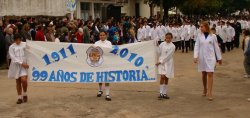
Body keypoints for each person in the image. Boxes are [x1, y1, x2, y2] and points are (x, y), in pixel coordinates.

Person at [194, 21, 222, 101]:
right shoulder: (199, 36)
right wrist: (195, 56)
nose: (200, 28)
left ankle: (209, 92)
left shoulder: (213, 36)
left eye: (202, 26)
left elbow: (216, 47)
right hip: (202, 57)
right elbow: (196, 46)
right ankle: (205, 88)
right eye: (200, 27)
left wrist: (219, 58)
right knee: (204, 74)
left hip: (211, 58)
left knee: (210, 74)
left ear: (206, 27)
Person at [8, 33, 29, 104]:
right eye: (16, 40)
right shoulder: (11, 47)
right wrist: (21, 63)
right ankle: (19, 97)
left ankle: (25, 93)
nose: (18, 41)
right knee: (18, 81)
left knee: (24, 80)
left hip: (25, 65)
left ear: (20, 39)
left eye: (19, 40)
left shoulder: (25, 44)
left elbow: (31, 50)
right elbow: (13, 57)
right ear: (14, 40)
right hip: (16, 65)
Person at [156, 33, 176, 100]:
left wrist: (160, 62)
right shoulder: (162, 44)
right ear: (165, 37)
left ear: (171, 38)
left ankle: (165, 93)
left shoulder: (173, 46)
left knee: (167, 77)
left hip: (168, 63)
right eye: (167, 38)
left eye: (169, 38)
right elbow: (159, 52)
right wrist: (156, 45)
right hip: (161, 62)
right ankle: (161, 93)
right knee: (162, 76)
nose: (168, 39)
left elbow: (168, 56)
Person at [94, 31, 112, 101]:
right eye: (100, 35)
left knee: (107, 78)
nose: (102, 36)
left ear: (106, 35)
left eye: (103, 35)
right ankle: (100, 90)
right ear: (99, 36)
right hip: (99, 62)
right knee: (100, 77)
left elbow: (110, 52)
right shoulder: (96, 43)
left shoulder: (109, 43)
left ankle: (107, 94)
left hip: (107, 63)